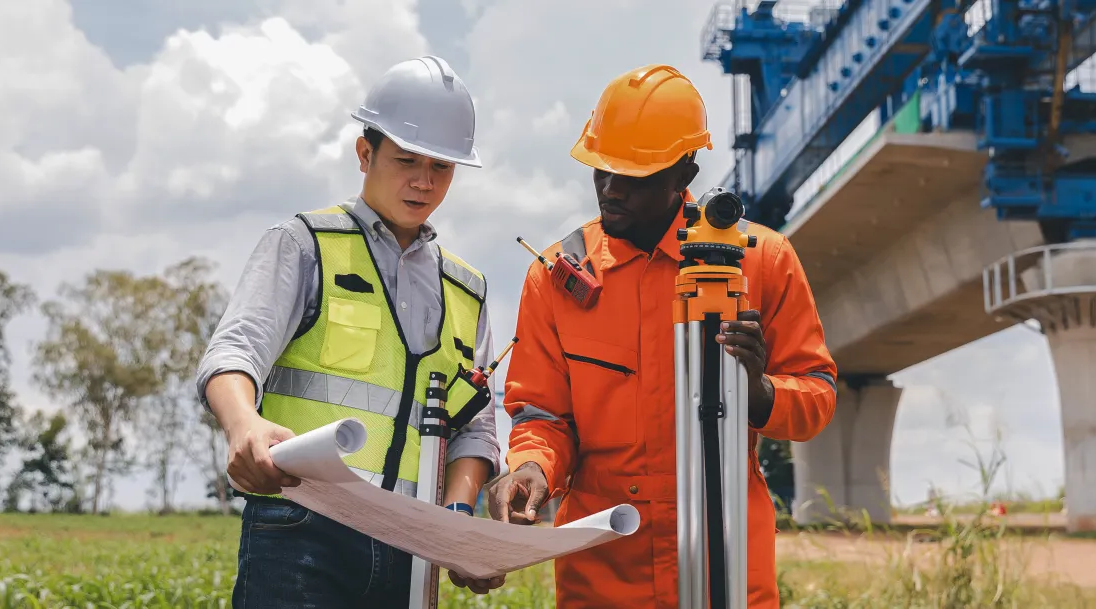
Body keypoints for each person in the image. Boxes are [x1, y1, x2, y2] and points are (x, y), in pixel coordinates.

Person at [484, 63, 839, 608]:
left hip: (726, 569)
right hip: (601, 575)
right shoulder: (558, 275)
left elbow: (817, 397)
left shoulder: (760, 261)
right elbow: (542, 417)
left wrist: (758, 392)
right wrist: (531, 468)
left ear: (683, 172)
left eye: (633, 175)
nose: (609, 189)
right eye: (601, 169)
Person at [196, 55, 506, 607]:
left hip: (412, 548)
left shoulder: (468, 290)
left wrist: (459, 520)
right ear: (365, 153)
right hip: (301, 530)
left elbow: (475, 429)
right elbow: (234, 351)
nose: (423, 181)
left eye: (442, 167)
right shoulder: (304, 244)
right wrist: (243, 423)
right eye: (406, 160)